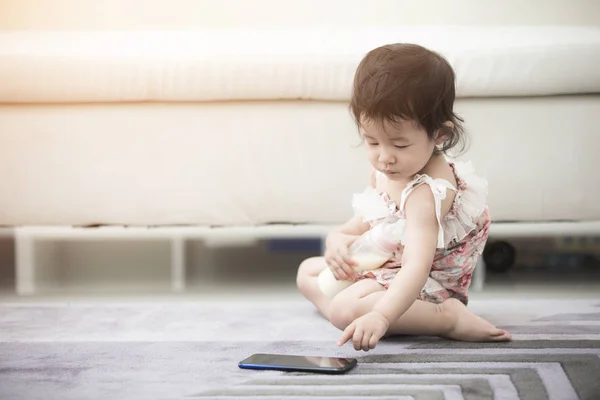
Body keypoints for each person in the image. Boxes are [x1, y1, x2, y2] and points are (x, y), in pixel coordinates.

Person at [296, 43, 512, 352]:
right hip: (388, 264)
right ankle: (363, 315)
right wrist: (337, 241)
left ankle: (443, 317)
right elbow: (360, 226)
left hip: (425, 282)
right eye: (372, 141)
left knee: (343, 309)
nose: (385, 157)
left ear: (439, 135)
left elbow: (416, 267)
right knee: (307, 272)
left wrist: (382, 317)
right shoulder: (387, 172)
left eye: (399, 145)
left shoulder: (427, 193)